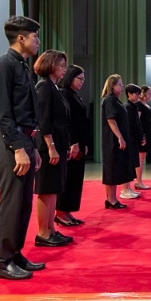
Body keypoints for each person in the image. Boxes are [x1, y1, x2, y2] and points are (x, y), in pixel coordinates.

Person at [0, 15, 46, 280]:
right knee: (11, 202)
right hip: (10, 139)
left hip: (24, 139)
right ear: (20, 38)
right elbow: (3, 112)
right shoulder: (3, 65)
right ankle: (2, 262)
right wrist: (17, 148)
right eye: (35, 36)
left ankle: (15, 253)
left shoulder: (22, 66)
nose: (38, 41)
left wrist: (31, 147)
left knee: (23, 203)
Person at [33, 50, 73, 248]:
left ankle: (51, 229)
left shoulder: (54, 87)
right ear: (50, 65)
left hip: (57, 144)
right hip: (48, 147)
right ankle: (43, 232)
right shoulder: (44, 87)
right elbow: (44, 120)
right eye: (61, 65)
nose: (64, 69)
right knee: (46, 189)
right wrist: (51, 147)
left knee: (53, 190)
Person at [55, 65, 90, 227]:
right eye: (79, 78)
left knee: (75, 178)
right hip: (71, 143)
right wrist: (73, 143)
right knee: (68, 178)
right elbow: (66, 122)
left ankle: (67, 210)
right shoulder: (63, 94)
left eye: (83, 79)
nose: (82, 81)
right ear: (70, 77)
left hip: (79, 142)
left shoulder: (73, 95)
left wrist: (84, 143)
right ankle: (60, 212)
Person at [100, 75, 132, 209]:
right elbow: (111, 120)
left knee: (114, 168)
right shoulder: (109, 100)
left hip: (115, 140)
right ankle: (111, 199)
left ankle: (112, 198)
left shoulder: (115, 100)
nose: (122, 87)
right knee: (111, 169)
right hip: (112, 141)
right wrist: (120, 137)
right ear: (112, 86)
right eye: (119, 84)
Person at [121, 84, 144, 199]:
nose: (138, 96)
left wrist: (141, 136)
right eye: (136, 94)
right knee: (128, 164)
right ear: (129, 94)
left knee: (132, 164)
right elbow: (131, 125)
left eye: (139, 94)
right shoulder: (128, 107)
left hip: (134, 139)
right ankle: (125, 189)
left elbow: (137, 123)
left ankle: (128, 188)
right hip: (129, 138)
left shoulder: (133, 106)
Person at [138, 85, 151, 183]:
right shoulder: (139, 105)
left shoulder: (146, 105)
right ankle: (138, 181)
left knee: (142, 158)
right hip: (143, 134)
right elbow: (138, 120)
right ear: (143, 93)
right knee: (140, 158)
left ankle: (139, 180)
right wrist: (142, 135)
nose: (150, 96)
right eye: (148, 93)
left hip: (147, 133)